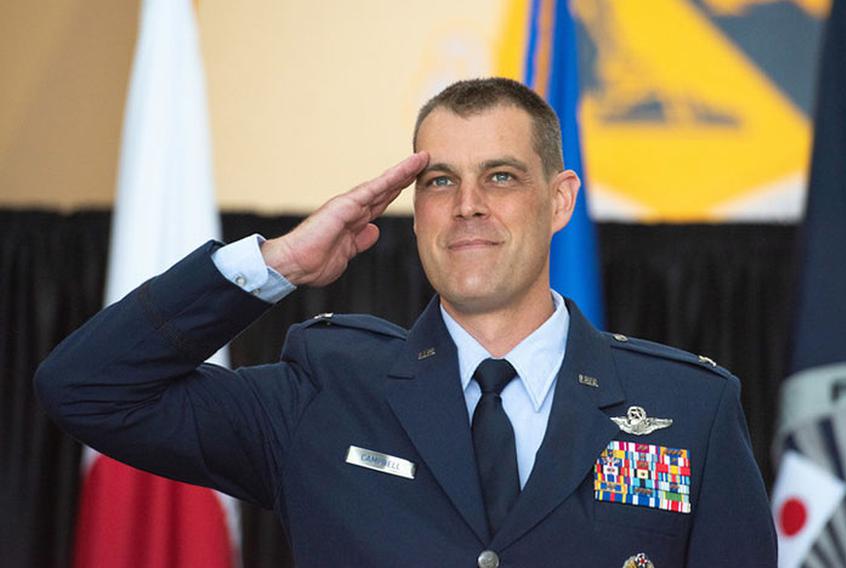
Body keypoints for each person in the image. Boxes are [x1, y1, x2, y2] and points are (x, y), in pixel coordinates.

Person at [36, 78, 777, 567]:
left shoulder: (688, 411)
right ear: (414, 208)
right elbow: (87, 388)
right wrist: (276, 264)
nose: (467, 207)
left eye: (502, 177)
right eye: (439, 181)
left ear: (559, 200)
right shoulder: (324, 394)